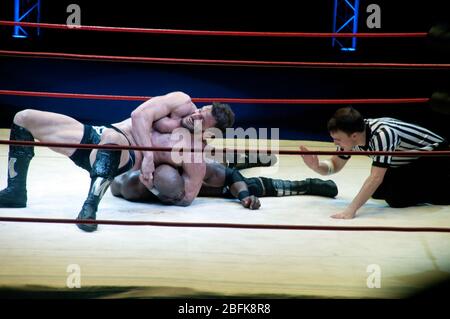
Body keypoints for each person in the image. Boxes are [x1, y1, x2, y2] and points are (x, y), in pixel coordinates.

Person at [0, 91, 234, 231]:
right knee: (24, 117)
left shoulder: (193, 152)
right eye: (200, 110)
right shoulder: (181, 101)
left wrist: (152, 185)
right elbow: (139, 115)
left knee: (112, 140)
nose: (195, 116)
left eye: (202, 120)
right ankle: (15, 191)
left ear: (210, 132)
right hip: (96, 136)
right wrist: (150, 158)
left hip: (123, 153)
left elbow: (187, 197)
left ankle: (89, 208)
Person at [300, 106, 450, 219]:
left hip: (438, 158)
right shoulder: (353, 136)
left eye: (337, 139)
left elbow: (376, 177)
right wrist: (316, 167)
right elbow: (335, 164)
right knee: (381, 193)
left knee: (396, 197)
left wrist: (350, 210)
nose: (335, 143)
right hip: (408, 162)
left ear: (353, 136)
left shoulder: (383, 135)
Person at [110, 161, 338, 209]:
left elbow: (230, 174)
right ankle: (305, 185)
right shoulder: (128, 187)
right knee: (226, 185)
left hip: (205, 168)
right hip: (154, 180)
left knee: (246, 184)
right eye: (175, 197)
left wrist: (244, 196)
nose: (184, 198)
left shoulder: (192, 165)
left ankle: (307, 185)